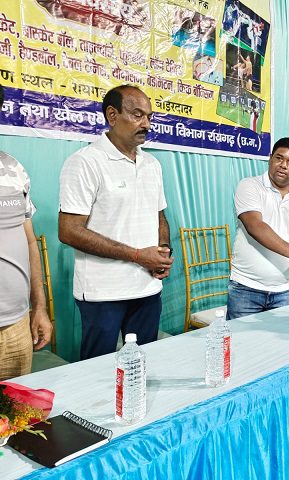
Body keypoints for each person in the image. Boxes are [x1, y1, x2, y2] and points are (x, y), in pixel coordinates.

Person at [59, 85, 173, 361]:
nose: (146, 124)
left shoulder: (152, 164)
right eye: (137, 115)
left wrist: (163, 251)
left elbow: (159, 216)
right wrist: (137, 255)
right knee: (97, 373)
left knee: (142, 366)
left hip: (147, 288)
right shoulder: (85, 162)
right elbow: (69, 231)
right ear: (112, 115)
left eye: (149, 117)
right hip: (103, 293)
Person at [0, 70, 52, 385]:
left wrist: (39, 308)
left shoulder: (12, 168)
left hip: (14, 329)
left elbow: (29, 242)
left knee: (12, 412)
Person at [227, 137, 289, 319]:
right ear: (270, 158)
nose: (283, 165)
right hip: (246, 288)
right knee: (241, 338)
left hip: (285, 291)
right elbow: (256, 227)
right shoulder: (249, 186)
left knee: (280, 339)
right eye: (279, 158)